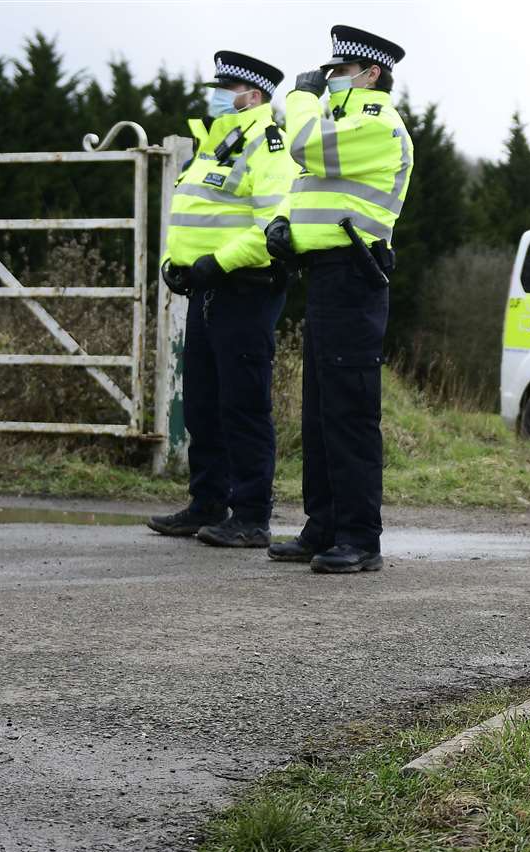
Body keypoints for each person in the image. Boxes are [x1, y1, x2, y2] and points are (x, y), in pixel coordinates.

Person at [262, 26, 413, 574]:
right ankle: (322, 526)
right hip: (324, 275)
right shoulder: (342, 122)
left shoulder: (377, 124)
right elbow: (304, 184)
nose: (330, 81)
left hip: (354, 275)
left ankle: (359, 537)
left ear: (371, 74)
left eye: (339, 72)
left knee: (349, 410)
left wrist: (300, 97)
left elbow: (305, 148)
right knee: (321, 409)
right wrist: (283, 225)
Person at [148, 51, 296, 548]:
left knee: (243, 403)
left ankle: (252, 515)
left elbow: (273, 225)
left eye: (225, 88)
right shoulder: (215, 144)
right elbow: (194, 213)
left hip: (246, 288)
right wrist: (177, 262)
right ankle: (207, 502)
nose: (215, 95)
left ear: (251, 96)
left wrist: (217, 263)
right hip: (208, 288)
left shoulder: (268, 145)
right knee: (204, 404)